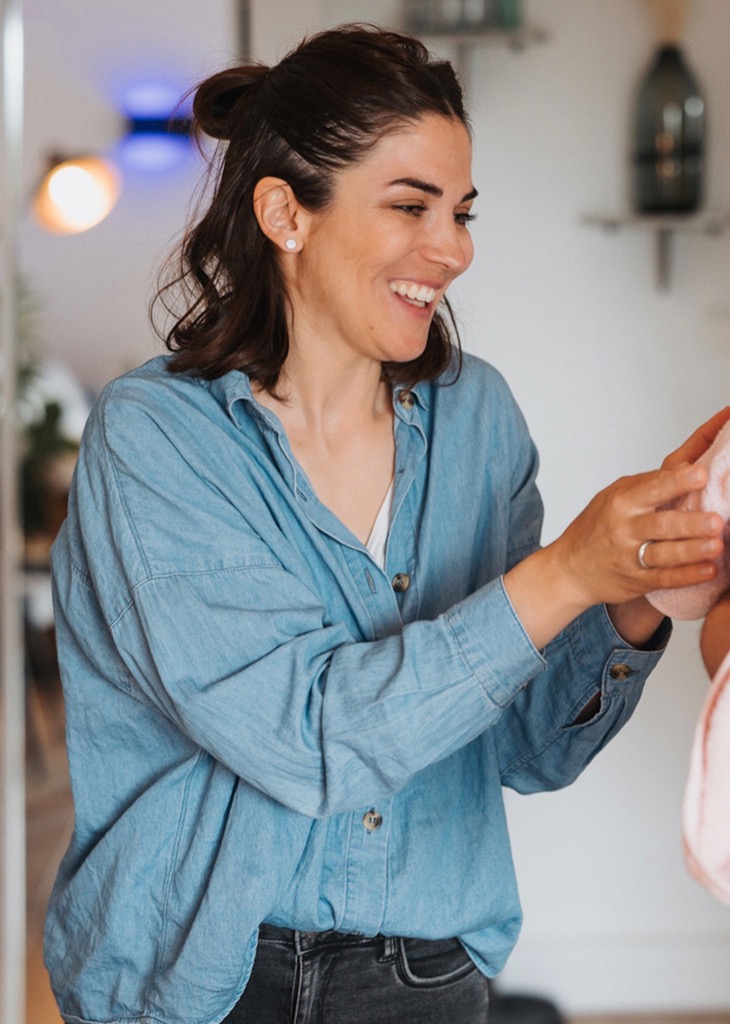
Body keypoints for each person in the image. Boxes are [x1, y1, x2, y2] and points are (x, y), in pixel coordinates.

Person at [45, 23, 730, 1024]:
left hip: (426, 971)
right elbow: (300, 739)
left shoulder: (477, 416)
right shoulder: (157, 440)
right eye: (410, 205)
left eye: (461, 211)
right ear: (285, 212)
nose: (452, 248)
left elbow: (527, 750)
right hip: (201, 973)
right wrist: (565, 574)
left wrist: (634, 586)